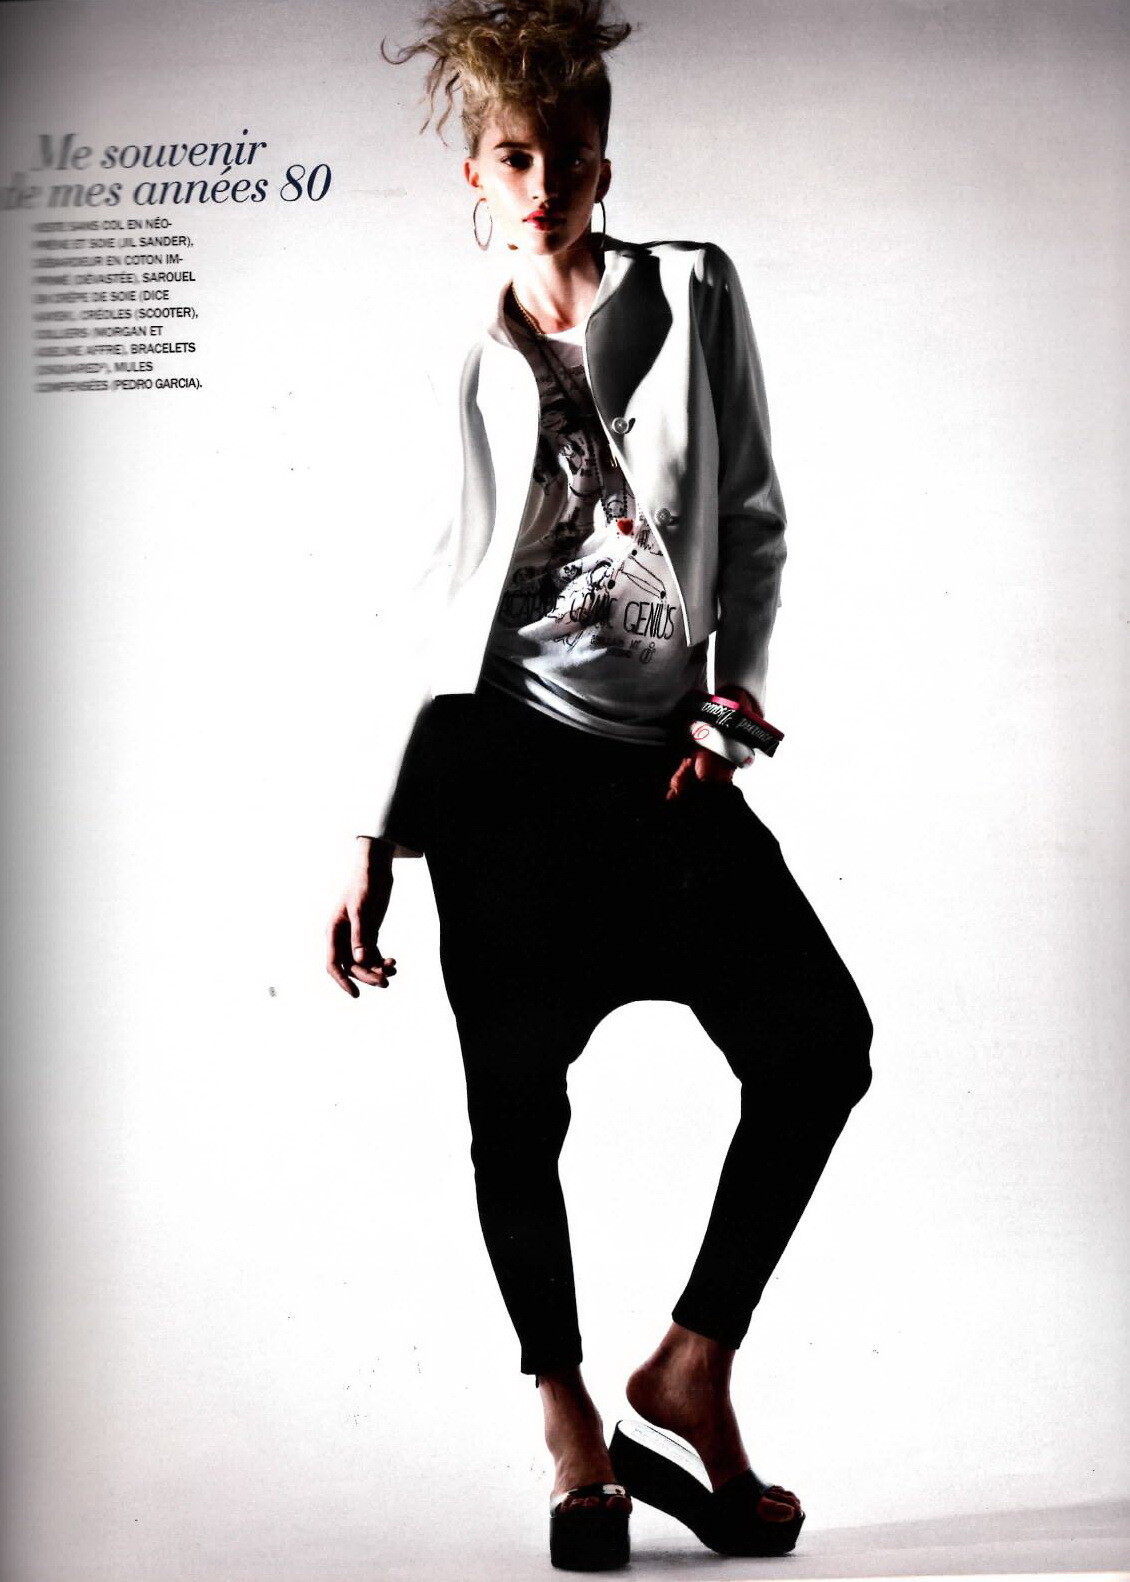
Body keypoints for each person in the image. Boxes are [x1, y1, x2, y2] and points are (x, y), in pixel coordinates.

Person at [326, 0, 873, 1569]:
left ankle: (687, 1365)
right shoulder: (450, 354)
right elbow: (419, 597)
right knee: (514, 1114)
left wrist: (731, 708)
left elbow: (749, 516)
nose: (543, 181)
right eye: (514, 156)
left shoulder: (689, 290)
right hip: (498, 773)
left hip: (662, 771)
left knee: (817, 1047)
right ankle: (570, 1426)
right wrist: (370, 827)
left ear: (602, 164)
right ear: (475, 176)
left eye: (567, 154)